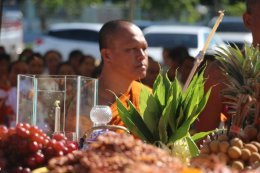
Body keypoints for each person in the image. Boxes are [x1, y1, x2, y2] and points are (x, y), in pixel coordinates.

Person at [97, 20, 150, 126]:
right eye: (132, 49)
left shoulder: (149, 99)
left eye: (144, 48)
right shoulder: (82, 99)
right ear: (107, 55)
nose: (142, 55)